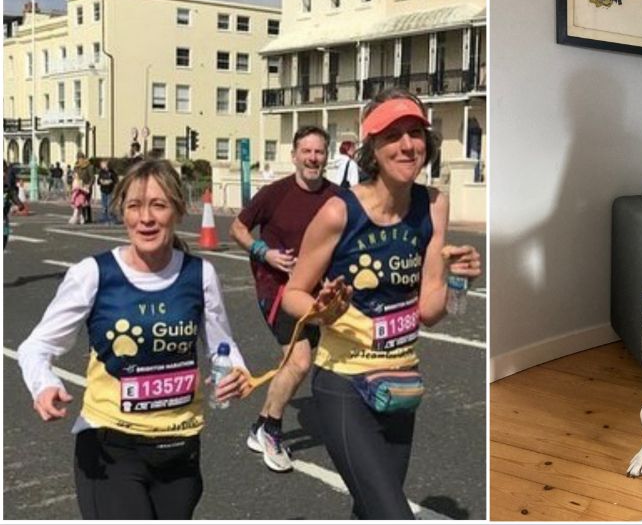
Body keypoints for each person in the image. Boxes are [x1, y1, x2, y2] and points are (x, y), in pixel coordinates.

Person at [282, 88, 482, 519]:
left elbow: (429, 310)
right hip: (344, 386)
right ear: (372, 144)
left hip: (400, 384)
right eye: (393, 135)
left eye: (415, 133)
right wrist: (325, 311)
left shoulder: (433, 205)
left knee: (371, 510)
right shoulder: (340, 212)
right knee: (393, 514)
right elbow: (292, 295)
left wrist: (460, 284)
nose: (407, 145)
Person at [16, 159, 253, 519]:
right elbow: (36, 347)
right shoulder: (93, 274)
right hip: (110, 448)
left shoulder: (200, 274)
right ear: (121, 213)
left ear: (178, 210)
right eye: (134, 207)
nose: (146, 218)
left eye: (158, 205)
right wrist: (44, 385)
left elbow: (222, 346)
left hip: (180, 448)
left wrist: (234, 371)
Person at [229, 126, 340, 472]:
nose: (312, 158)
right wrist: (265, 253)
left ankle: (260, 426)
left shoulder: (337, 197)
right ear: (293, 155)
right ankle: (272, 431)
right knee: (300, 361)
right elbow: (237, 228)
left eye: (318, 152)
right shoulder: (274, 194)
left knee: (328, 358)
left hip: (317, 292)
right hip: (276, 289)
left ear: (327, 156)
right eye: (306, 151)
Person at [69, 157, 92, 225]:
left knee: (79, 208)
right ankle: (82, 219)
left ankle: (76, 219)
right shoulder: (76, 179)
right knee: (80, 209)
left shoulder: (87, 168)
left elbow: (78, 187)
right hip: (78, 194)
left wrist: (88, 186)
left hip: (80, 194)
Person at [96, 159, 119, 224]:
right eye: (101, 164)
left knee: (110, 205)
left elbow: (116, 180)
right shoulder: (101, 172)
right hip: (103, 190)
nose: (101, 166)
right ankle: (104, 217)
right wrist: (101, 181)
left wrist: (110, 181)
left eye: (103, 164)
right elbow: (98, 181)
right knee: (104, 205)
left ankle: (112, 218)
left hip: (110, 190)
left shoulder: (112, 172)